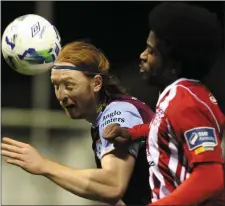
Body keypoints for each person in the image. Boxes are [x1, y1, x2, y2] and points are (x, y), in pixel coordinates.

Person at [1, 41, 155, 205]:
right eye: (56, 86)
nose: (61, 95)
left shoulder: (119, 113)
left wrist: (44, 165)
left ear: (96, 83)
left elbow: (113, 185)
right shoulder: (103, 116)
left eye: (69, 85)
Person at [102, 2, 225, 206]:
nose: (142, 56)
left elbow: (211, 177)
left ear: (173, 67)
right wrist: (132, 133)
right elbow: (168, 127)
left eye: (151, 52)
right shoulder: (181, 95)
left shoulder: (185, 103)